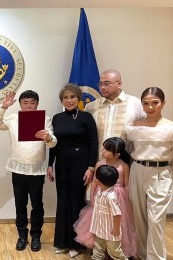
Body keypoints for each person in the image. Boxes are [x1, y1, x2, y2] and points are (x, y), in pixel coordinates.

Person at [125, 87, 173, 260]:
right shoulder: (134, 126)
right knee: (139, 218)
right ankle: (142, 255)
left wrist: (170, 174)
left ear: (163, 104)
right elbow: (130, 150)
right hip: (137, 171)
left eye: (155, 103)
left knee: (156, 220)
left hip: (161, 172)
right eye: (146, 103)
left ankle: (156, 258)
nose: (150, 107)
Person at [0, 90, 57, 252]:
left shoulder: (45, 120)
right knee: (20, 204)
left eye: (32, 102)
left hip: (36, 170)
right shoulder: (13, 119)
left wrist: (48, 137)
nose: (29, 105)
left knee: (37, 205)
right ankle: (22, 236)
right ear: (20, 104)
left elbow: (53, 143)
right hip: (18, 168)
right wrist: (4, 107)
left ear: (37, 104)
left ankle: (35, 236)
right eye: (25, 103)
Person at [48, 83, 98, 258]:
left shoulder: (86, 117)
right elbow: (53, 144)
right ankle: (62, 242)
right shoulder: (57, 118)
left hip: (81, 163)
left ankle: (77, 244)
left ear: (78, 98)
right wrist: (49, 164)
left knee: (76, 201)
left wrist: (91, 167)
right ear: (62, 100)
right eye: (65, 98)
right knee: (63, 201)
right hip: (62, 163)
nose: (69, 100)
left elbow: (93, 143)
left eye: (72, 97)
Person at [74, 137, 137, 258]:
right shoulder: (99, 163)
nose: (103, 151)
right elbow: (95, 182)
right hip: (100, 195)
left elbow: (126, 183)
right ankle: (100, 249)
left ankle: (116, 249)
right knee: (100, 222)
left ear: (117, 154)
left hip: (118, 196)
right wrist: (92, 196)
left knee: (118, 222)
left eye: (107, 149)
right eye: (104, 148)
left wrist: (127, 200)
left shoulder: (123, 165)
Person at [84, 69, 145, 159]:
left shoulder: (136, 104)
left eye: (107, 83)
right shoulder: (90, 107)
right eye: (100, 84)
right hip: (98, 163)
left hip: (125, 164)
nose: (102, 87)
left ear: (119, 84)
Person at [90, 165, 127, 260]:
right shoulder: (99, 192)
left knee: (115, 253)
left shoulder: (111, 197)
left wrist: (116, 229)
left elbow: (117, 214)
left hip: (111, 233)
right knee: (97, 251)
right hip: (99, 230)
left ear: (98, 181)